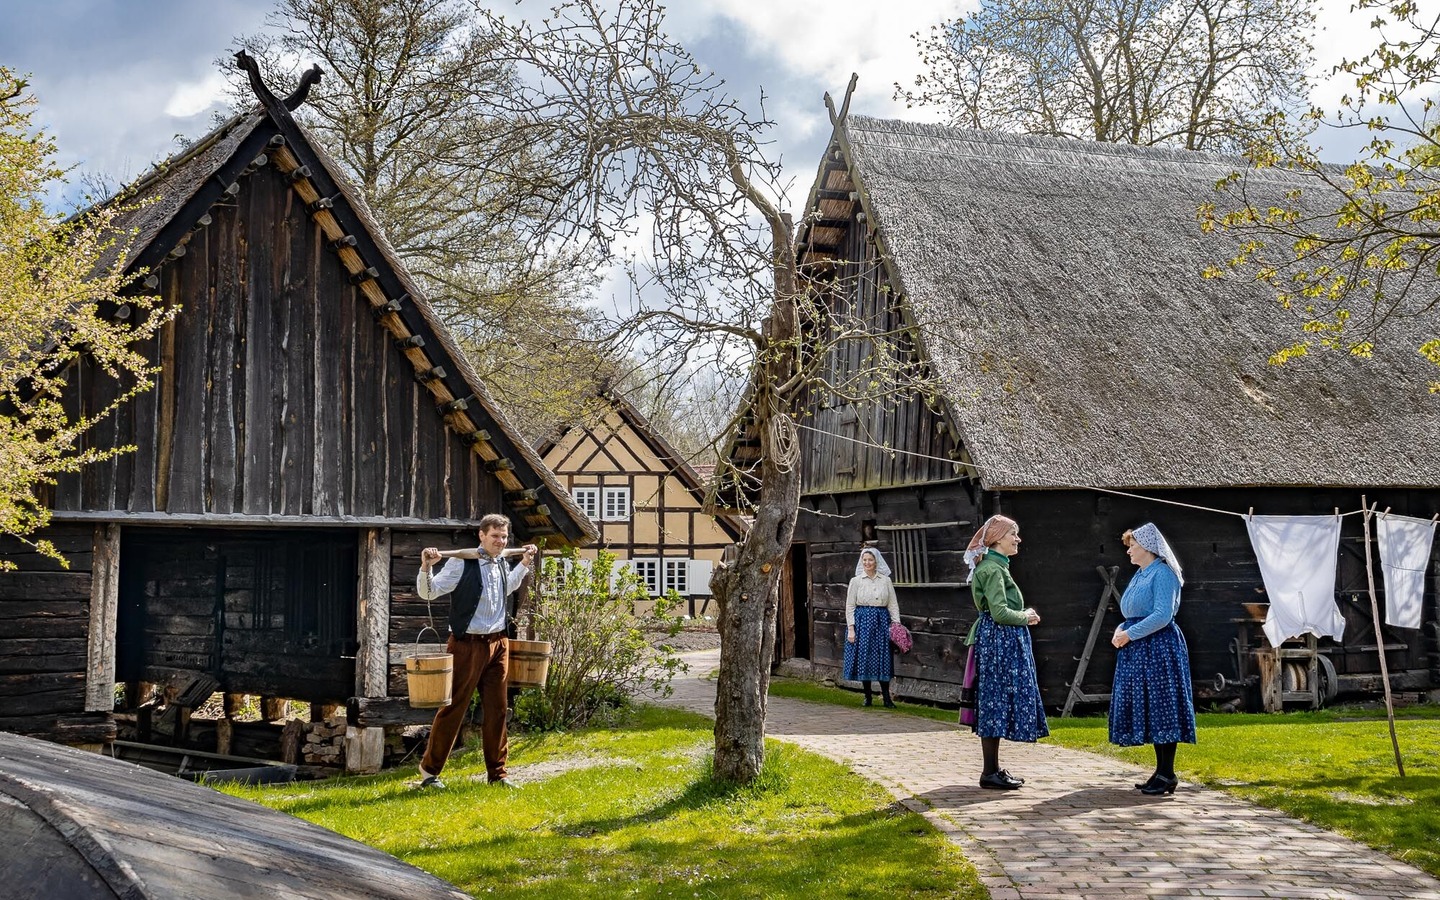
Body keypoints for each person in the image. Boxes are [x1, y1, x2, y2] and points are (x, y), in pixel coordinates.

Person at [415, 513, 536, 789]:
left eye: (503, 537)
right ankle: (429, 772)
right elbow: (429, 592)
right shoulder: (461, 563)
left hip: (498, 644)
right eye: (495, 536)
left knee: (498, 710)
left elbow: (509, 587)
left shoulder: (502, 562)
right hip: (467, 645)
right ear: (481, 535)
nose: (500, 541)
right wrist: (426, 567)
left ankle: (498, 774)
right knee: (454, 707)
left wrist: (525, 564)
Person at [1109, 522, 1197, 795]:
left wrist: (1130, 634)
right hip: (1139, 646)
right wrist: (1120, 630)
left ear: (1147, 547)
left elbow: (1162, 615)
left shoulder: (1163, 573)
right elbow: (1130, 612)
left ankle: (1168, 773)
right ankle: (1160, 772)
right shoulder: (1141, 574)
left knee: (1163, 706)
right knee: (1151, 706)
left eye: (1132, 546)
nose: (1129, 552)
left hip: (1159, 647)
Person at [964, 514, 1048, 789]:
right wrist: (1026, 616)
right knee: (994, 701)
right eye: (1014, 534)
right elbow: (999, 613)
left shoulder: (996, 567)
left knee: (996, 700)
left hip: (1000, 640)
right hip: (998, 641)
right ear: (998, 538)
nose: (1018, 539)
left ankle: (993, 769)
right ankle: (989, 772)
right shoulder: (991, 569)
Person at [844, 547, 901, 708]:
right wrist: (851, 628)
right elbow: (850, 606)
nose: (867, 563)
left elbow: (893, 604)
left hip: (881, 622)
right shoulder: (856, 581)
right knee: (865, 658)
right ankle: (867, 697)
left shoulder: (885, 580)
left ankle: (886, 698)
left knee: (883, 658)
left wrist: (896, 625)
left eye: (870, 560)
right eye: (865, 560)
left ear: (876, 562)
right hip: (862, 622)